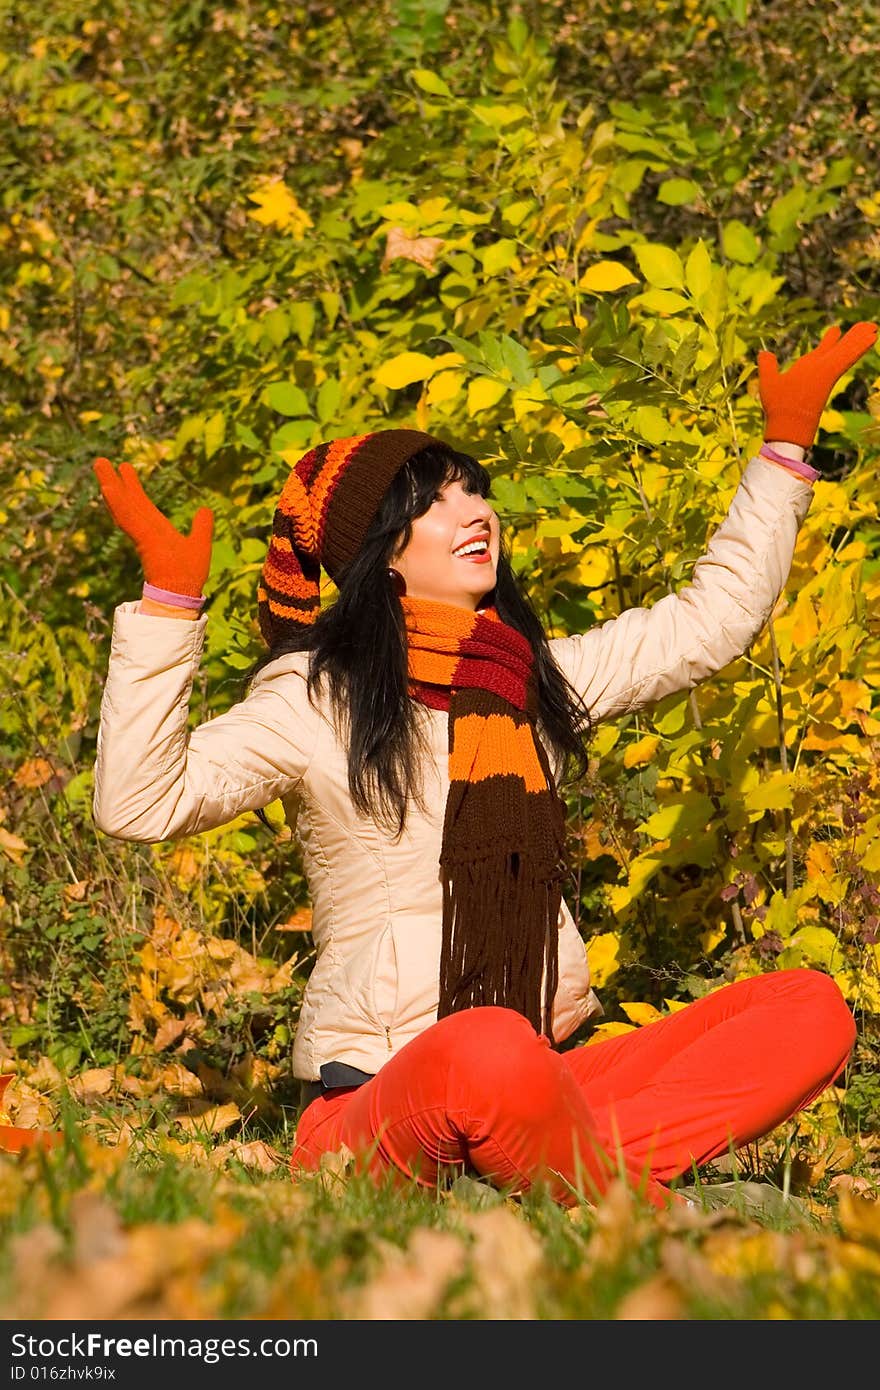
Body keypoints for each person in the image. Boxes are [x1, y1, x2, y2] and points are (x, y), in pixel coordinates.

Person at [92, 322, 876, 1210]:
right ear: (383, 550)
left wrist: (783, 452)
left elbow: (708, 625)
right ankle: (630, 1205)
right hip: (389, 1100)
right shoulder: (313, 699)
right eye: (438, 502)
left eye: (477, 492)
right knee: (485, 1048)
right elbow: (139, 804)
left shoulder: (530, 679)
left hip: (547, 1080)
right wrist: (167, 607)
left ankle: (545, 1164)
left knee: (808, 1008)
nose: (477, 513)